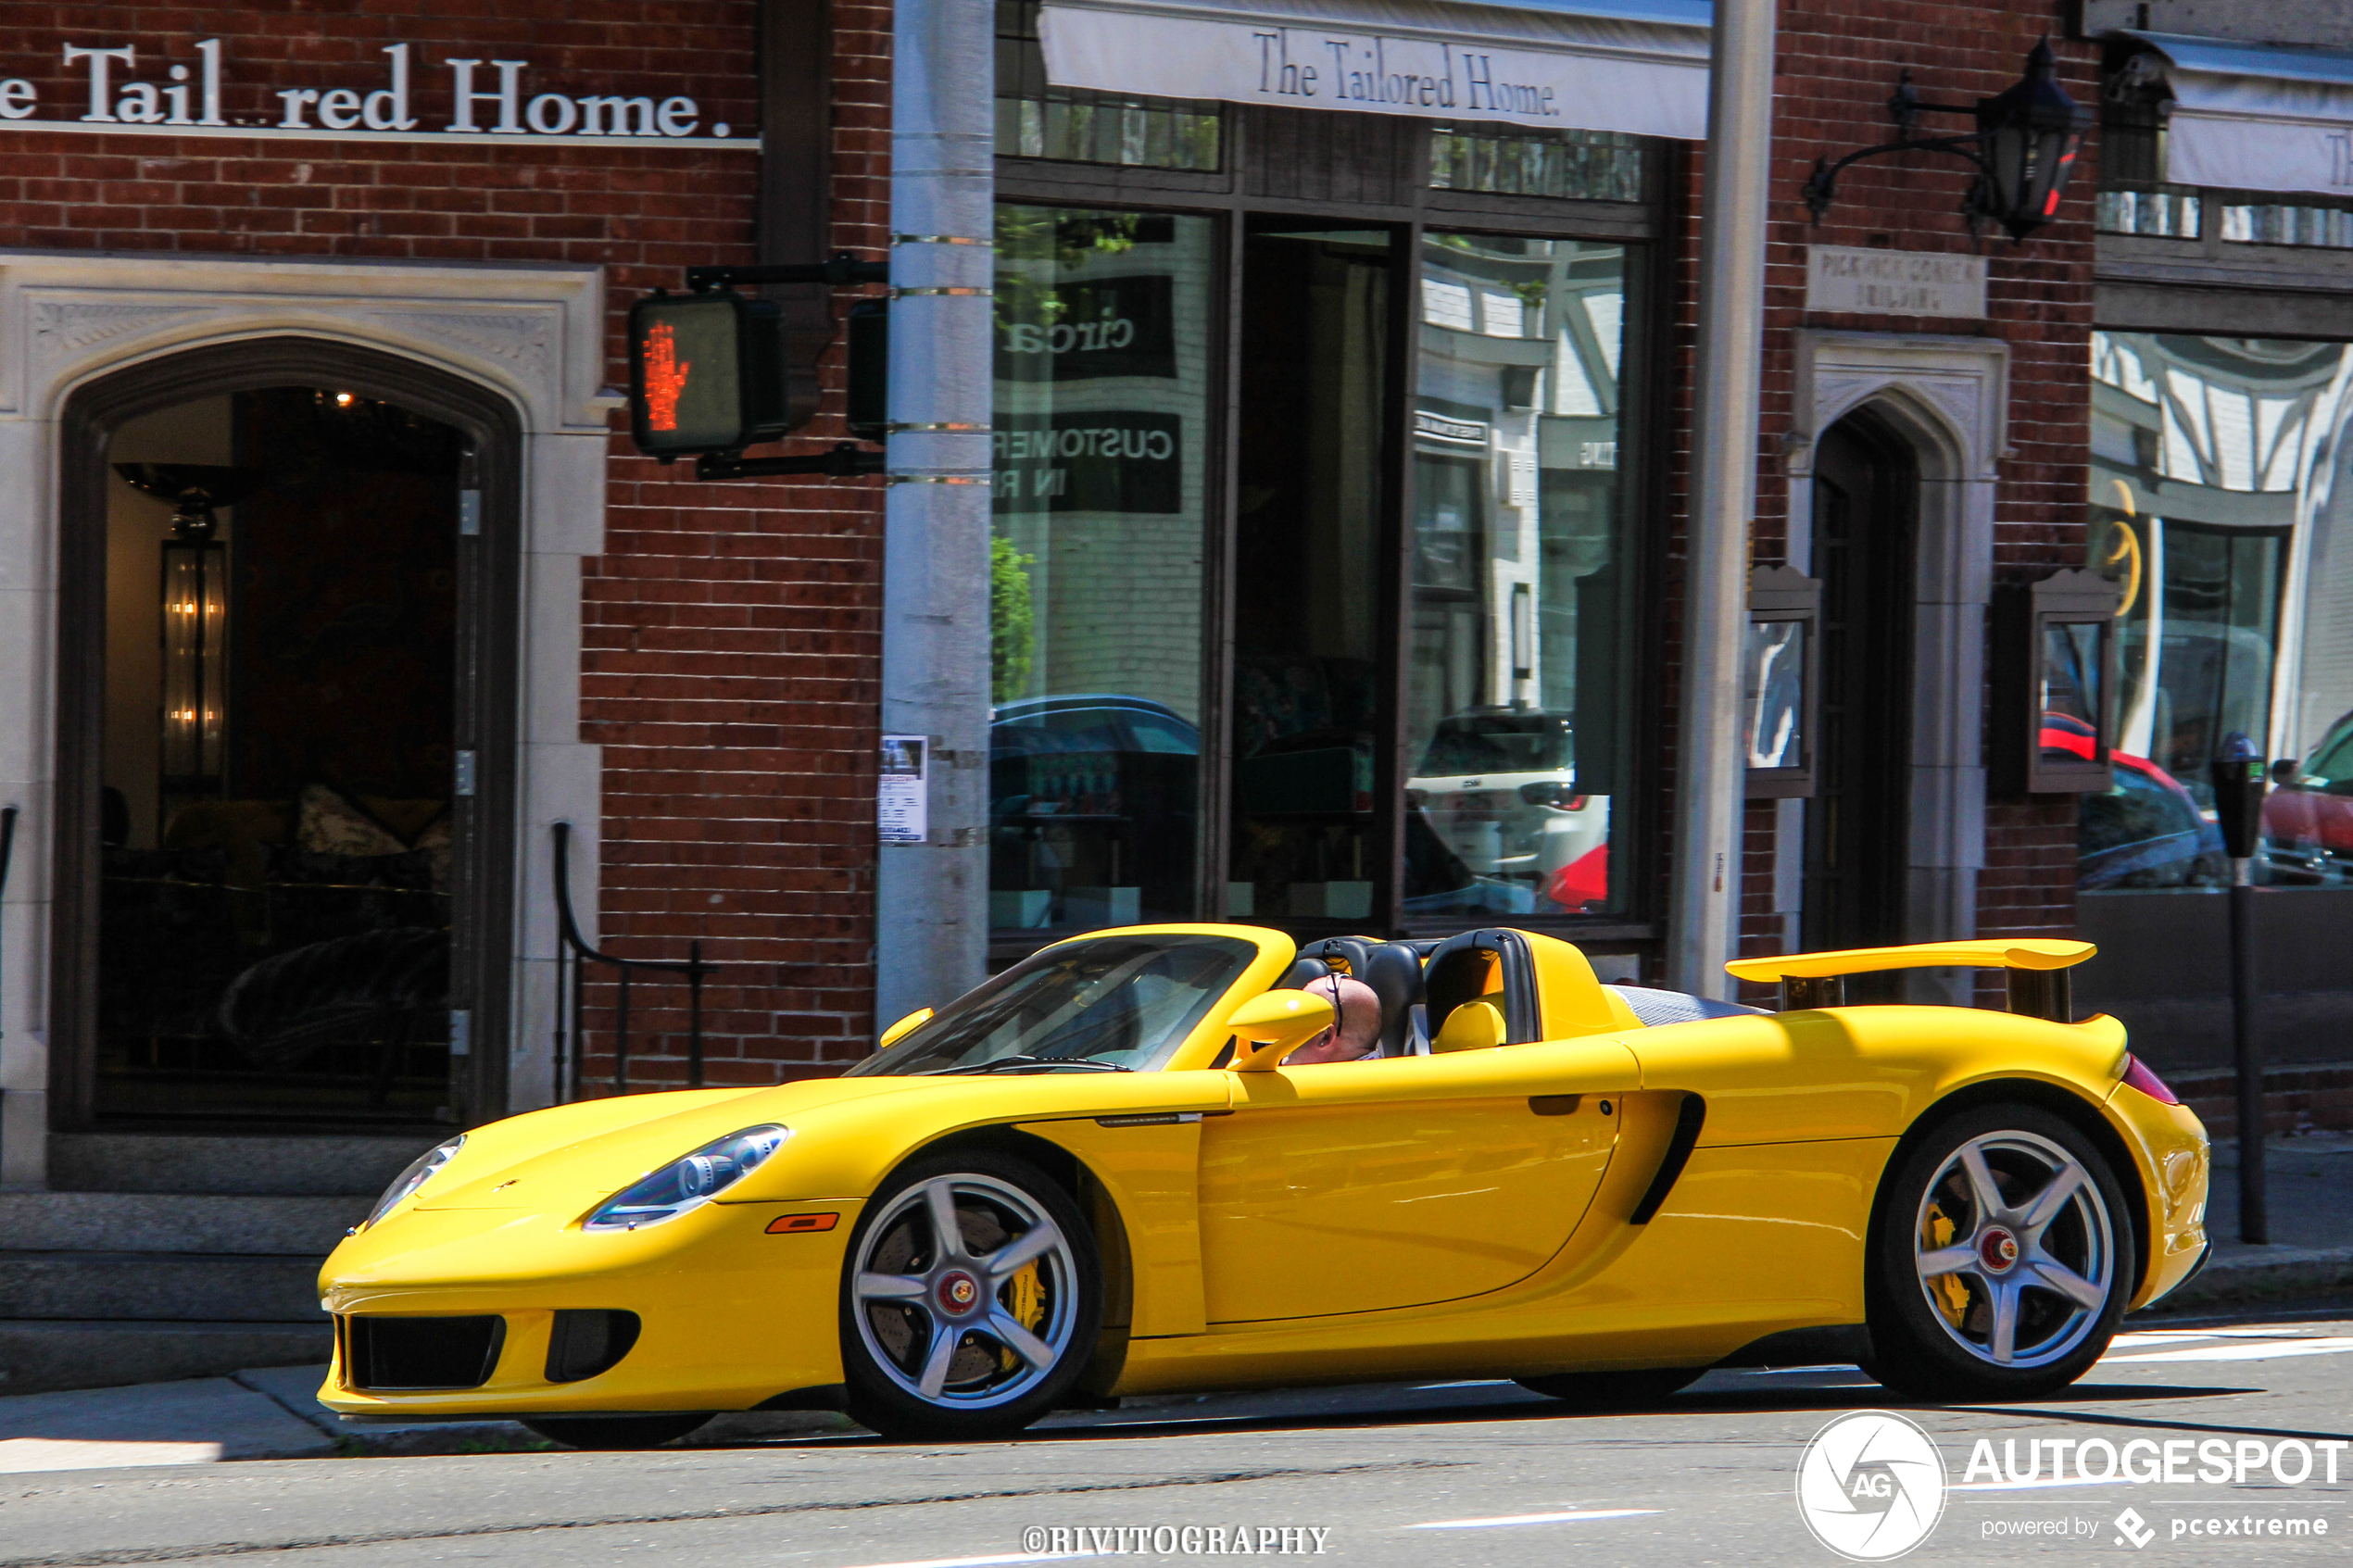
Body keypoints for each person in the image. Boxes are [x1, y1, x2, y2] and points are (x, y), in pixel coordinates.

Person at [1283, 973, 1384, 1064]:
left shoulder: (1350, 1083)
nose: (1283, 1032)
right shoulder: (1382, 1078)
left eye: (1297, 1019)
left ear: (1325, 1037)